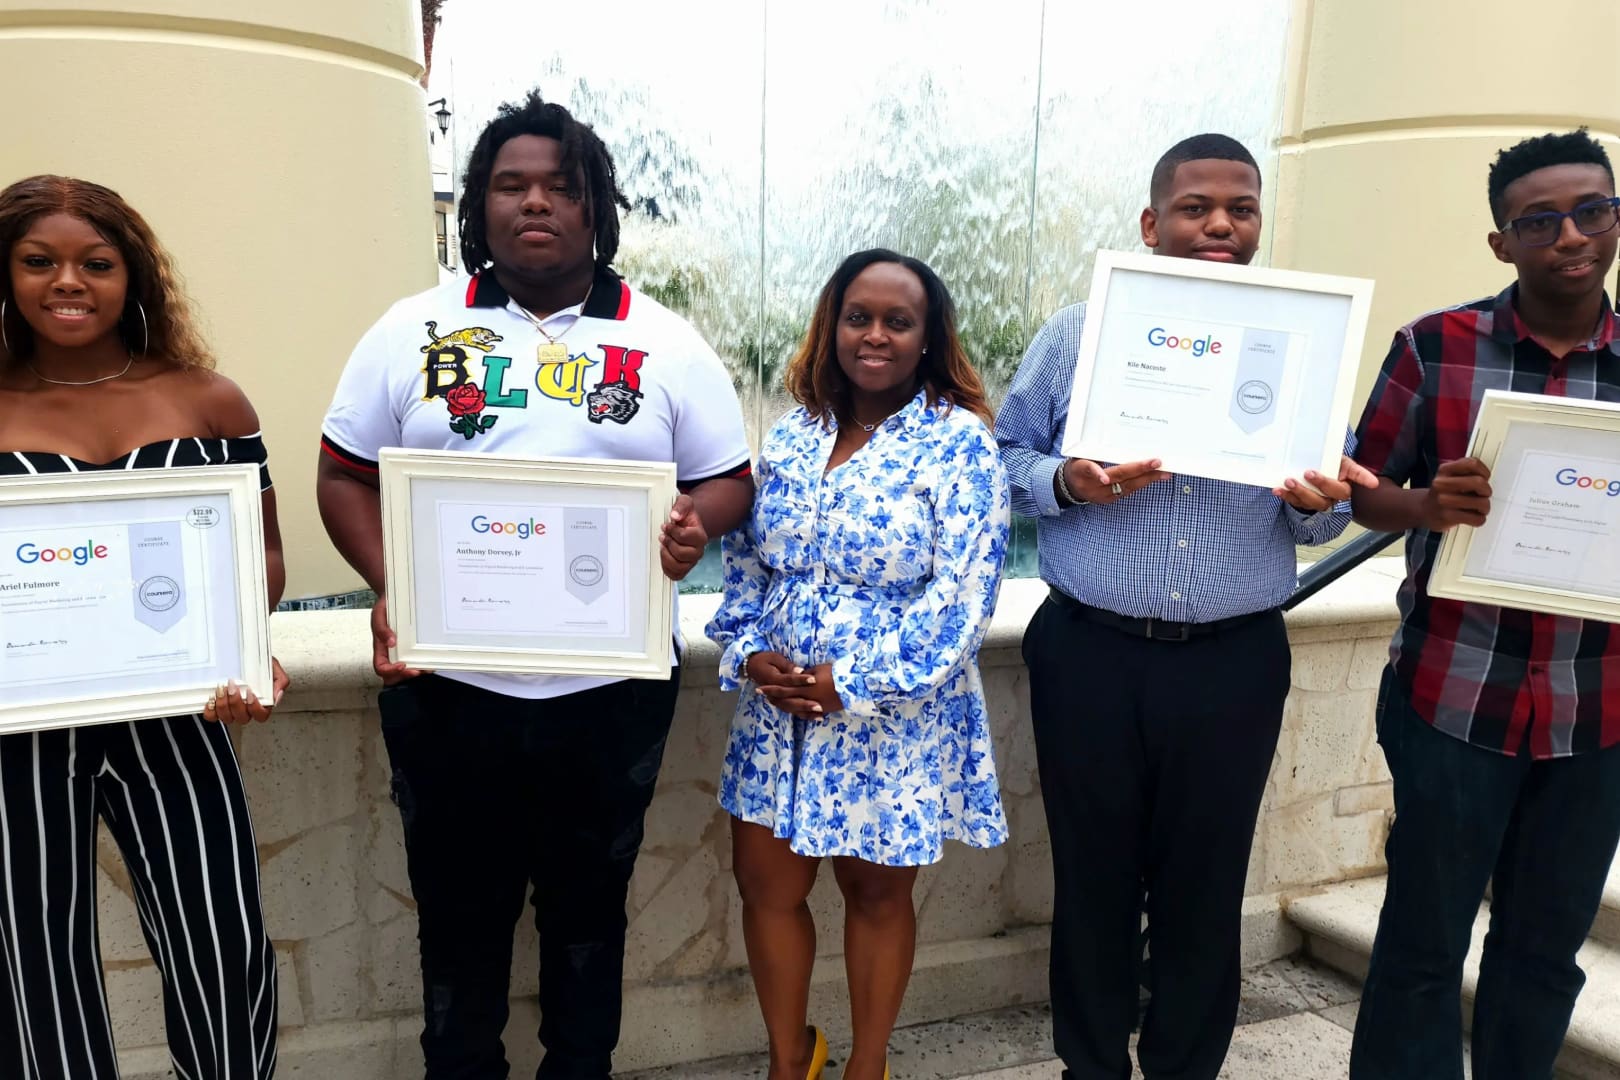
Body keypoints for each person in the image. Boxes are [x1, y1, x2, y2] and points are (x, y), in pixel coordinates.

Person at [316, 90, 753, 1079]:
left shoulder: (667, 341)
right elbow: (342, 475)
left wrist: (698, 523)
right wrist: (397, 586)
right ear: (478, 208)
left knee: (589, 920)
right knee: (458, 926)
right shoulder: (412, 328)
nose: (535, 203)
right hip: (448, 689)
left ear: (596, 205)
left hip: (609, 693)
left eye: (560, 185)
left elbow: (728, 477)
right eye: (510, 185)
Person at [995, 133, 1377, 1080]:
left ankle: (1183, 1068)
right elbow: (1000, 462)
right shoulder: (1078, 334)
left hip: (1231, 660)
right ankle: (1091, 1064)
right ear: (1150, 222)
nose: (1219, 224)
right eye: (1197, 206)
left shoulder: (1303, 348)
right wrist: (1071, 484)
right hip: (1091, 652)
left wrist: (1315, 503)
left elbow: (1323, 524)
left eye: (1239, 208)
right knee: (1092, 882)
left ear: (1257, 222)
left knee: (1205, 889)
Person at [0, 174, 288, 1080]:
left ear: (135, 276)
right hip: (21, 731)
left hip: (183, 716)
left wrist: (247, 646)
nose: (68, 282)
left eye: (97, 261)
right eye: (37, 262)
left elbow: (263, 557)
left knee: (220, 942)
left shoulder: (210, 402)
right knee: (32, 963)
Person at [1348, 129, 1620, 1080]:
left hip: (1599, 712)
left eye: (1593, 210)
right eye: (1539, 220)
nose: (1571, 236)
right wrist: (1427, 503)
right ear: (1502, 242)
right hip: (1454, 696)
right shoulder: (1435, 346)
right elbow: (1358, 486)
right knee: (1423, 947)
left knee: (1545, 956)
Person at [707, 248, 1009, 1080]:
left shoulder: (959, 446)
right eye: (858, 318)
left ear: (927, 338)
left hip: (891, 719)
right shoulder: (794, 436)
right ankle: (789, 1060)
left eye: (897, 321)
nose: (874, 335)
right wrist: (747, 652)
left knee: (878, 897)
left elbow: (963, 601)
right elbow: (746, 567)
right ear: (831, 327)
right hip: (778, 715)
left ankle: (867, 1067)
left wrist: (859, 682)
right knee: (766, 889)